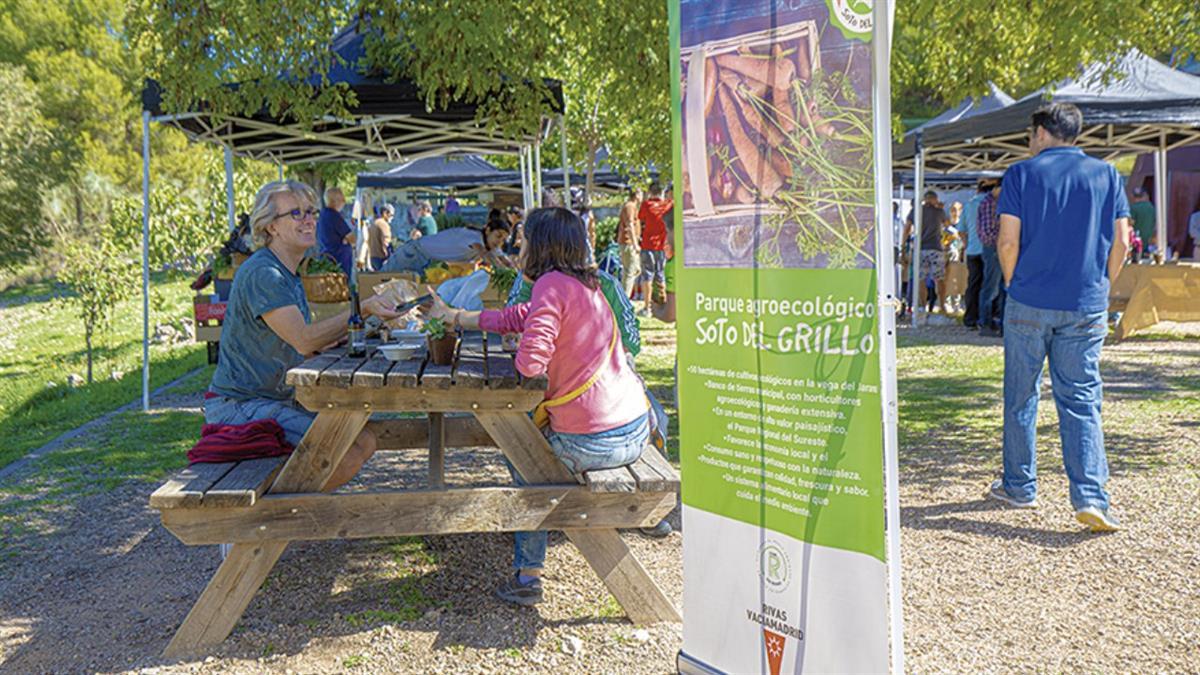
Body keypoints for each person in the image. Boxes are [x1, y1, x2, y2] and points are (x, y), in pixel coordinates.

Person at [425, 207, 651, 605]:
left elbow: (530, 362)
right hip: (635, 428)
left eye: (524, 240)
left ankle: (528, 575)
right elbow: (521, 315)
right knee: (530, 448)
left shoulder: (549, 285)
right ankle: (530, 566)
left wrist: (528, 343)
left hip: (596, 443)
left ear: (541, 246)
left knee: (524, 456)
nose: (518, 246)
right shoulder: (587, 284)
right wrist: (460, 318)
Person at [987, 103, 1131, 532]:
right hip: (1085, 302)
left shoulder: (1021, 174)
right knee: (1082, 399)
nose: (1030, 141)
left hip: (1029, 299)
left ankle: (1019, 486)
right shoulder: (1107, 175)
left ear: (1043, 132)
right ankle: (1091, 497)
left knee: (1020, 396)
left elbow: (1007, 241)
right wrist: (1103, 282)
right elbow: (1122, 241)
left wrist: (1013, 284)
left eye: (1032, 133)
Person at [206, 180, 401, 489]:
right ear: (271, 226)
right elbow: (304, 339)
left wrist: (345, 336)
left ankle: (277, 510)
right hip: (240, 406)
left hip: (274, 398)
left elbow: (302, 348)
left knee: (362, 439)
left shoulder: (287, 272)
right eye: (295, 214)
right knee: (344, 453)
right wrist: (363, 310)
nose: (309, 219)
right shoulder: (264, 273)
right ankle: (263, 519)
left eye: (311, 212)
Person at [381, 219, 512, 276]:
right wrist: (504, 272)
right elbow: (486, 256)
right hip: (414, 252)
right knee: (380, 281)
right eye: (498, 236)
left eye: (503, 239)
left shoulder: (490, 245)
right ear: (488, 230)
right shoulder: (474, 237)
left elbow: (505, 261)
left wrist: (516, 273)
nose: (499, 241)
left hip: (426, 260)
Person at [903, 190, 948, 315]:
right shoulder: (940, 212)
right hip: (936, 248)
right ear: (934, 199)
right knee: (939, 279)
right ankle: (942, 305)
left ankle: (923, 306)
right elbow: (947, 224)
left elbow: (907, 228)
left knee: (921, 279)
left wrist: (903, 246)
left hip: (920, 249)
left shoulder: (916, 211)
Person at [638, 183, 673, 316]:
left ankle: (647, 307)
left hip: (647, 245)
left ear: (650, 193)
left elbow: (640, 218)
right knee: (661, 275)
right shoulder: (667, 205)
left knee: (647, 276)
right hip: (662, 246)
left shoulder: (646, 205)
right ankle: (663, 305)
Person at [976, 179, 1005, 336]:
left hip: (998, 248)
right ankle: (985, 323)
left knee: (1000, 288)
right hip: (994, 249)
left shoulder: (993, 201)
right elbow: (987, 234)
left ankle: (996, 322)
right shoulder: (989, 203)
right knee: (991, 288)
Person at [960, 182, 988, 328]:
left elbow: (961, 230)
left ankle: (970, 318)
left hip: (972, 250)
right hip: (989, 250)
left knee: (972, 285)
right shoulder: (993, 203)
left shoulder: (968, 205)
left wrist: (966, 244)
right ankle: (986, 318)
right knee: (989, 285)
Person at [317, 187, 355, 276]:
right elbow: (352, 238)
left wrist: (346, 239)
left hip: (326, 259)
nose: (344, 202)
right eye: (343, 199)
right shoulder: (334, 216)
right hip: (339, 261)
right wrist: (347, 240)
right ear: (336, 201)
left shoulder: (323, 214)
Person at [617, 188, 643, 298]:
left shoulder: (631, 206)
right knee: (630, 272)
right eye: (641, 193)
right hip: (628, 243)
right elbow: (630, 224)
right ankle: (625, 300)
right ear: (637, 195)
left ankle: (623, 297)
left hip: (629, 243)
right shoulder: (630, 206)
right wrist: (635, 243)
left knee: (635, 270)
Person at [1129, 187, 1155, 259]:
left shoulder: (1133, 208)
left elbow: (1130, 223)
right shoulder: (1151, 207)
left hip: (1136, 244)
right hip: (1149, 243)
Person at [369, 204, 395, 270]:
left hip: (372, 256)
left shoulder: (374, 223)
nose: (392, 217)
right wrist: (390, 256)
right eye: (391, 215)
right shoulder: (383, 224)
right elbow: (386, 242)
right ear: (385, 213)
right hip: (381, 257)